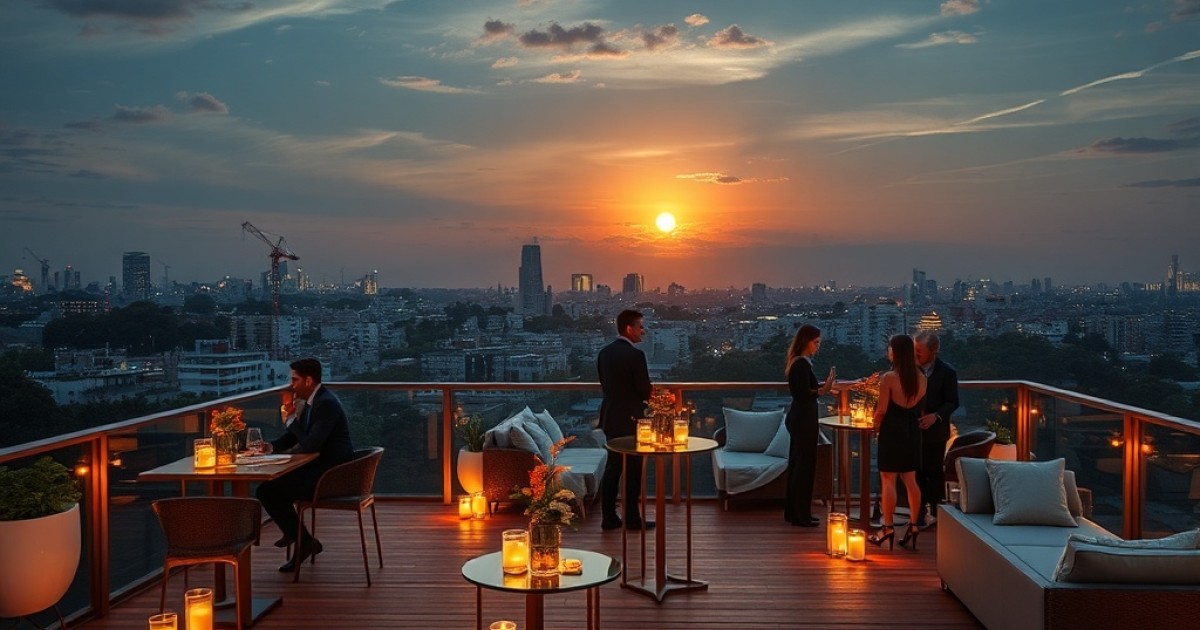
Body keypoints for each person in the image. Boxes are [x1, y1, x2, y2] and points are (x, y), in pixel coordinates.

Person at [256, 357, 355, 572]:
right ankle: (301, 538)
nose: (291, 385)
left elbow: (310, 444)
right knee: (270, 489)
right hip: (323, 469)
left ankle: (299, 538)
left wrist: (290, 420)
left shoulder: (325, 404)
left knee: (268, 491)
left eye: (295, 380)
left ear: (308, 381)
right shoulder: (316, 401)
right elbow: (295, 436)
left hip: (332, 476)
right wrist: (270, 447)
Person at [868, 335, 927, 550]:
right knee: (911, 480)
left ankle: (888, 526)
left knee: (888, 479)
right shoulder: (921, 378)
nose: (887, 351)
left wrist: (874, 423)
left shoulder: (889, 378)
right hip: (912, 430)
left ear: (895, 352)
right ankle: (914, 524)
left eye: (890, 348)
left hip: (893, 430)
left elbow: (882, 410)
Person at [597, 309, 654, 531]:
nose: (643, 331)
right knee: (633, 470)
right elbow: (643, 391)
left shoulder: (604, 353)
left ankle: (608, 517)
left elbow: (606, 386)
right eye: (640, 326)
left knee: (613, 468)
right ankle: (631, 518)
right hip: (631, 419)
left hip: (611, 417)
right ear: (629, 329)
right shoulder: (635, 356)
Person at [783, 324, 836, 527]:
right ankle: (800, 514)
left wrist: (822, 388)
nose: (817, 347)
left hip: (801, 418)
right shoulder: (801, 365)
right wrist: (823, 391)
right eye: (816, 342)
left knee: (799, 466)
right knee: (804, 467)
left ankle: (796, 512)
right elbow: (803, 393)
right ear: (807, 342)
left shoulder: (799, 363)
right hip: (803, 419)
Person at [914, 331, 959, 528]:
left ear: (933, 351)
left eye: (919, 352)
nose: (916, 355)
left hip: (935, 432)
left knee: (934, 472)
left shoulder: (947, 372)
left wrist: (935, 416)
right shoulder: (910, 370)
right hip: (914, 430)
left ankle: (936, 511)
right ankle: (918, 512)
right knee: (915, 472)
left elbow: (952, 402)